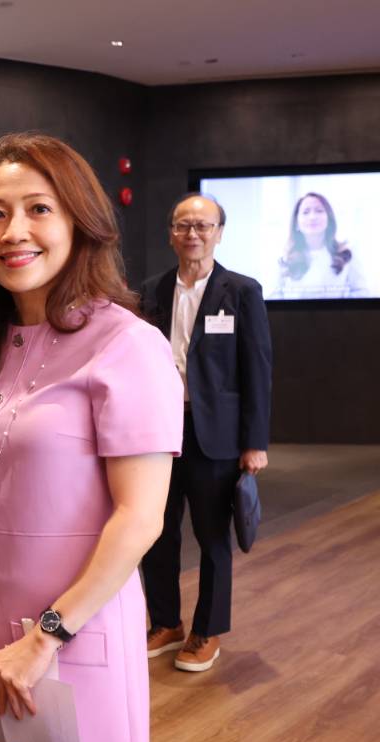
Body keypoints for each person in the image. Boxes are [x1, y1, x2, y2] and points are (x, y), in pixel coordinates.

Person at [0, 132, 182, 742]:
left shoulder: (129, 345)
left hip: (74, 632)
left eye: (39, 209)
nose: (14, 231)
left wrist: (46, 637)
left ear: (80, 222)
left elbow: (140, 517)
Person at [140, 193, 272, 672]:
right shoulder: (152, 291)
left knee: (212, 535)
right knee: (155, 531)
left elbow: (257, 369)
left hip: (213, 432)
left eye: (202, 225)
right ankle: (166, 622)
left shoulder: (241, 291)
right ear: (170, 233)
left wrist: (254, 442)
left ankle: (207, 629)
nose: (192, 233)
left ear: (219, 233)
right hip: (159, 430)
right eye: (183, 225)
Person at [271, 192, 366, 299]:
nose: (312, 217)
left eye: (319, 211)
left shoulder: (346, 254)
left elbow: (362, 293)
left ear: (329, 219)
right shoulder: (285, 258)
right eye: (306, 212)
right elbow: (273, 297)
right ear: (296, 222)